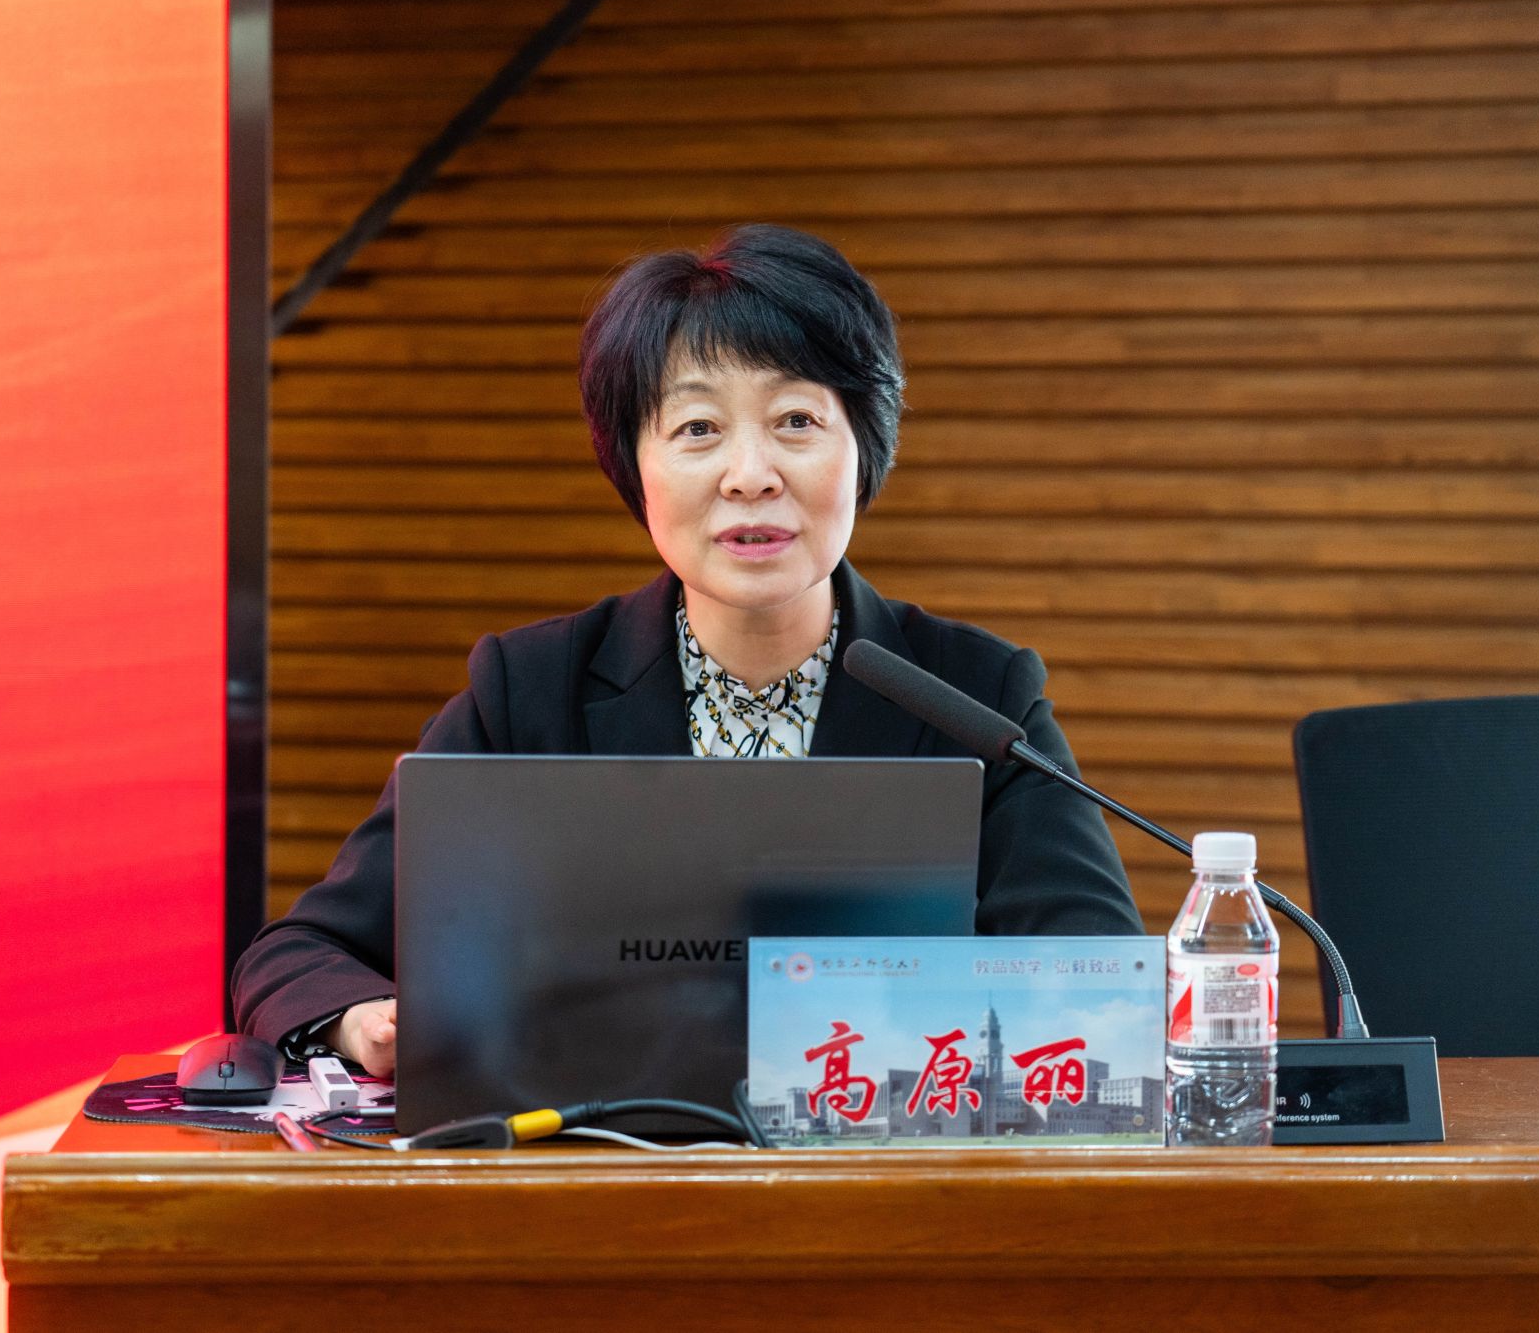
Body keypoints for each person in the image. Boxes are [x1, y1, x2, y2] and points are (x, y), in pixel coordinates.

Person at [232, 224, 1142, 1077]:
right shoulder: (530, 691)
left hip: (881, 1175)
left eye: (796, 420)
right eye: (698, 428)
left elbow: (1097, 984)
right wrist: (361, 1019)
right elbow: (299, 953)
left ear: (863, 448)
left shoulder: (977, 695)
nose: (750, 474)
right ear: (635, 465)